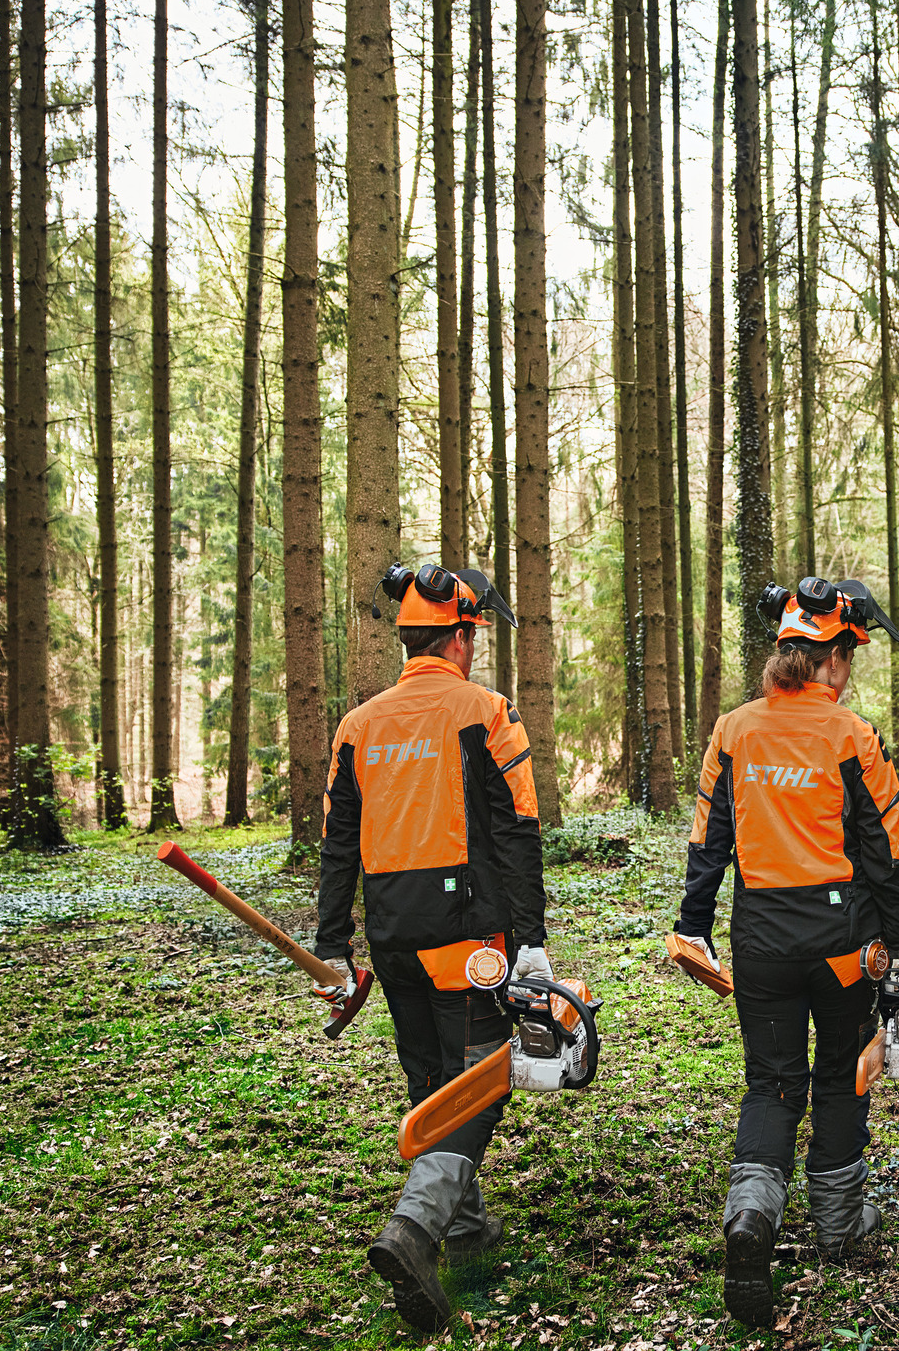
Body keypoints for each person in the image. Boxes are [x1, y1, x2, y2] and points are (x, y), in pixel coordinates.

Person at [672, 577, 899, 1329]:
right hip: (844, 947)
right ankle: (839, 1225)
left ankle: (752, 1216)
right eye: (848, 658)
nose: (848, 672)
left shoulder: (734, 730)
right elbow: (886, 855)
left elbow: (707, 841)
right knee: (842, 1076)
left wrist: (694, 925)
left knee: (772, 1083)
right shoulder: (853, 735)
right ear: (833, 658)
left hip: (760, 940)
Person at [312, 564, 551, 1333]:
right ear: (460, 636)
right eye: (473, 636)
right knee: (479, 1084)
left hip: (392, 940)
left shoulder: (357, 725)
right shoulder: (485, 711)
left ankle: (465, 1225)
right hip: (469, 939)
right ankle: (415, 1229)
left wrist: (334, 944)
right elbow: (518, 832)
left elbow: (336, 843)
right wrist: (532, 942)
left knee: (429, 1080)